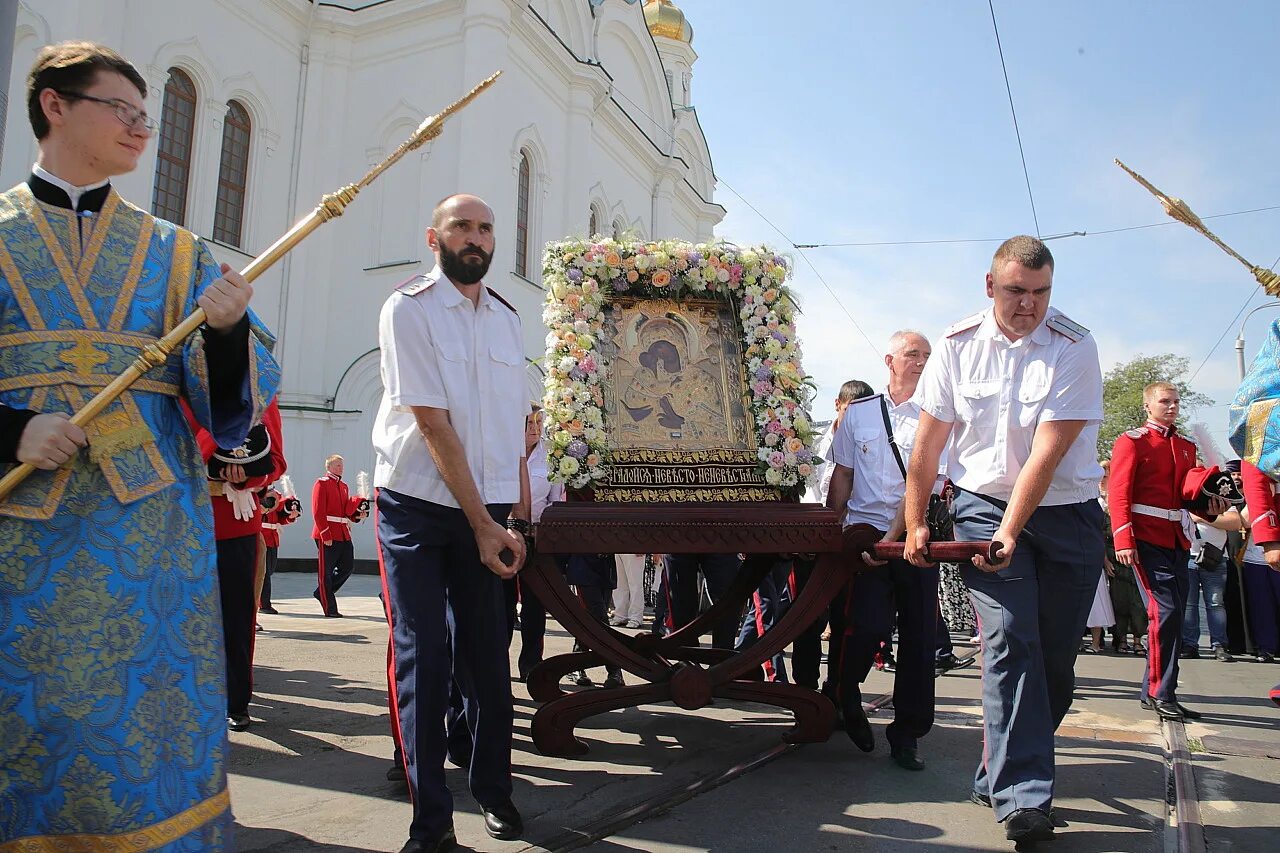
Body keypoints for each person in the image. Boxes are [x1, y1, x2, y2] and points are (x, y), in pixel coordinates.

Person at [0, 42, 278, 849]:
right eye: (121, 109)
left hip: (149, 544)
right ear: (55, 105)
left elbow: (229, 413)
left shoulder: (178, 251)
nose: (140, 128)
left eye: (146, 115)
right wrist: (11, 428)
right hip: (23, 537)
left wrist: (224, 334)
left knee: (142, 730)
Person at [905, 236, 1104, 845]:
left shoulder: (1076, 345)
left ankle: (998, 770)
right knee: (1011, 641)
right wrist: (916, 520)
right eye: (1017, 291)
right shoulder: (956, 345)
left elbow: (1049, 450)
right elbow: (929, 446)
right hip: (981, 506)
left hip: (1067, 514)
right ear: (990, 286)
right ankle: (1025, 799)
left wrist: (1013, 531)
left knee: (1054, 663)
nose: (1029, 305)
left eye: (1041, 293)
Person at [373, 193, 528, 852]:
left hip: (488, 510)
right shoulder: (408, 308)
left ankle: (493, 790)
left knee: (490, 662)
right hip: (415, 505)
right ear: (433, 238)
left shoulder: (507, 319)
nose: (476, 236)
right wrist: (483, 524)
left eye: (485, 227)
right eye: (461, 225)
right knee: (424, 660)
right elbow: (432, 423)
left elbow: (514, 427)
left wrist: (512, 512)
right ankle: (429, 821)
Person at [826, 332, 940, 772]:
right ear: (889, 359)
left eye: (926, 357)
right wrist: (831, 531)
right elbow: (843, 475)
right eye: (913, 355)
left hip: (914, 537)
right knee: (863, 624)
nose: (920, 363)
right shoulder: (858, 413)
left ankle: (908, 734)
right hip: (864, 535)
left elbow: (926, 484)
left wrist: (896, 536)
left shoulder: (938, 411)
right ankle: (845, 692)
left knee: (918, 636)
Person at [1109, 383, 1226, 719]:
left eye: (1176, 402)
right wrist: (1123, 538)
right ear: (1148, 405)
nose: (1172, 407)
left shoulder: (1185, 446)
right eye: (1165, 402)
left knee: (1170, 616)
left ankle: (1152, 689)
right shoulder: (1132, 442)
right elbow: (1119, 493)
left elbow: (1188, 497)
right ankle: (1163, 693)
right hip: (1145, 536)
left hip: (1177, 538)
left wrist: (1214, 504)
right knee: (1167, 612)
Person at [185, 399, 287, 730]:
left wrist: (246, 476)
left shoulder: (259, 393)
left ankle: (235, 700)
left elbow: (275, 462)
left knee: (236, 617)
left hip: (234, 519)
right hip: (182, 517)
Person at [311, 454, 367, 616]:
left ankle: (321, 592)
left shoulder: (343, 486)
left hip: (343, 533)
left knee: (347, 567)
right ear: (328, 467)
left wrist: (357, 515)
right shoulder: (321, 483)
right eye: (336, 465)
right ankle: (330, 608)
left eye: (341, 465)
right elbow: (318, 510)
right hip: (328, 532)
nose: (340, 468)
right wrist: (325, 533)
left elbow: (346, 511)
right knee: (325, 572)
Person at [1240, 460, 1280, 662]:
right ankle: (1266, 647)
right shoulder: (1255, 490)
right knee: (1262, 606)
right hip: (1259, 556)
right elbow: (1243, 519)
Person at [1183, 512, 1238, 662]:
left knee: (1216, 603)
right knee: (1189, 604)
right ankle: (1189, 644)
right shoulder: (1183, 497)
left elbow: (1234, 522)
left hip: (1215, 557)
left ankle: (1219, 645)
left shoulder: (1220, 496)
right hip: (1186, 555)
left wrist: (1203, 517)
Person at [260, 477, 303, 615]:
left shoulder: (277, 495)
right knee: (264, 573)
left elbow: (280, 518)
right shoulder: (258, 493)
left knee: (270, 571)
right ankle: (264, 604)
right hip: (261, 536)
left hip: (272, 537)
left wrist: (291, 514)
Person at [612, 553, 647, 629]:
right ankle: (620, 615)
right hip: (617, 546)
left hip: (633, 546)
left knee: (635, 584)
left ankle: (636, 617)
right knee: (619, 584)